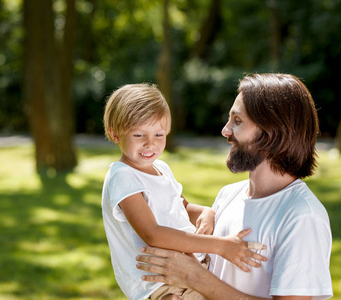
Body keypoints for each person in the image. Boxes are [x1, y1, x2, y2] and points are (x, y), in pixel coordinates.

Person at [136, 74, 333, 300]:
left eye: (237, 121)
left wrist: (195, 277)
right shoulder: (228, 195)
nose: (225, 130)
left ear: (272, 132)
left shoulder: (302, 216)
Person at [102, 83, 267, 300]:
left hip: (188, 270)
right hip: (162, 284)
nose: (150, 144)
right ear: (115, 135)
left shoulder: (161, 169)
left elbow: (183, 207)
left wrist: (206, 213)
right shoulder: (122, 177)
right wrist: (222, 246)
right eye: (139, 135)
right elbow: (153, 234)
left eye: (159, 135)